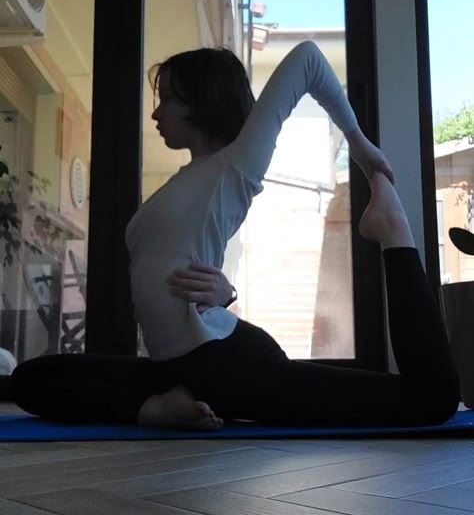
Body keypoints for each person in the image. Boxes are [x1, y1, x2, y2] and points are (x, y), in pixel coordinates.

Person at [11, 42, 459, 430]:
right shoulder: (186, 180)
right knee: (32, 379)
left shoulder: (235, 165)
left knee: (428, 399)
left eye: (167, 98)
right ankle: (155, 406)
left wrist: (359, 147)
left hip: (228, 363)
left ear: (202, 99)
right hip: (173, 369)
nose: (156, 112)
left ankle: (394, 233)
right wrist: (225, 291)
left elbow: (307, 59)